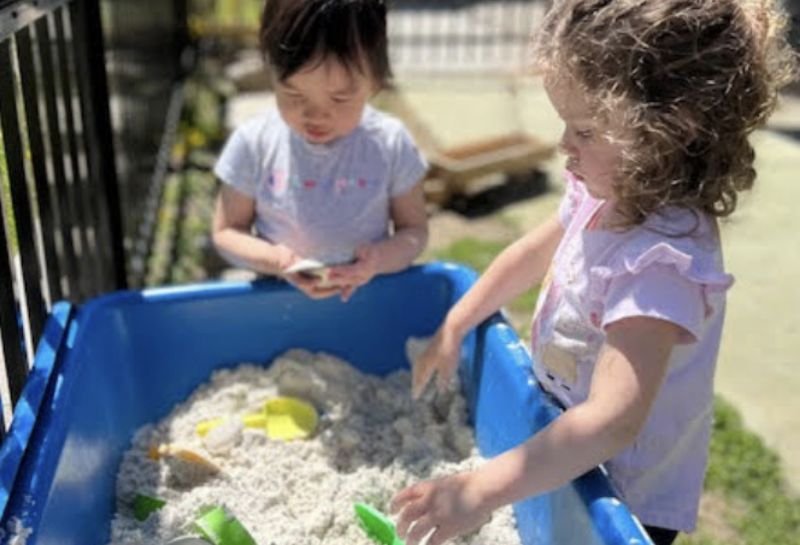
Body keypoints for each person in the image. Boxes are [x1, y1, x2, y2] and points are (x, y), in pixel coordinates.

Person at [391, 1, 797, 544]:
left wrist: (478, 490)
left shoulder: (662, 265)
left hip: (624, 500)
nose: (563, 146)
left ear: (668, 131)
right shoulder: (606, 191)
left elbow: (612, 421)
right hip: (565, 453)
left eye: (583, 130)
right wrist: (458, 322)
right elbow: (530, 255)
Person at [212, 0, 429, 301]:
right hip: (277, 300)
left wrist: (377, 260)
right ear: (271, 72)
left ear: (376, 82)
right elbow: (226, 232)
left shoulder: (390, 144)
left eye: (340, 98)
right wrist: (276, 260)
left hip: (368, 299)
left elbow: (414, 232)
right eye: (293, 94)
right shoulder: (254, 144)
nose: (316, 115)